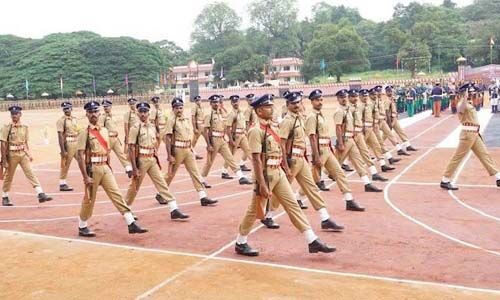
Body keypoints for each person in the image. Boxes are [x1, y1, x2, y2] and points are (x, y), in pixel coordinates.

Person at [234, 94, 335, 256]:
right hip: (266, 175)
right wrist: (262, 184)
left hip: (278, 172)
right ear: (259, 111)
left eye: (272, 106)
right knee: (254, 210)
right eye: (268, 107)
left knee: (293, 205)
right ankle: (240, 242)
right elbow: (256, 160)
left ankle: (311, 240)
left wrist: (285, 168)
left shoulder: (272, 127)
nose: (271, 109)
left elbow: (281, 149)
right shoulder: (255, 131)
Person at [271, 91, 345, 231]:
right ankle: (269, 214)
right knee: (283, 190)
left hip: (301, 159)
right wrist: (285, 165)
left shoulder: (299, 118)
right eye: (293, 103)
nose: (296, 105)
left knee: (311, 187)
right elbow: (282, 143)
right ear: (287, 105)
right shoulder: (288, 121)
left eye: (298, 102)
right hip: (292, 160)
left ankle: (325, 218)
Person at [75, 101, 147, 237]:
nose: (93, 115)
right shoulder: (85, 133)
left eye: (95, 111)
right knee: (90, 199)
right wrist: (85, 176)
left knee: (116, 194)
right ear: (87, 115)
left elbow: (107, 150)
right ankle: (82, 225)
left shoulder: (104, 131)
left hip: (105, 168)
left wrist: (108, 166)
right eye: (90, 112)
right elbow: (80, 155)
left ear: (99, 113)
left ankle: (131, 223)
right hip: (93, 169)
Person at [124, 102, 190, 220]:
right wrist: (134, 167)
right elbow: (131, 148)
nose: (143, 114)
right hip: (141, 160)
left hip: (152, 159)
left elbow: (155, 143)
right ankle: (126, 209)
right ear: (138, 113)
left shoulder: (152, 127)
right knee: (135, 186)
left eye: (145, 112)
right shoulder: (135, 128)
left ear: (149, 113)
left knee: (161, 183)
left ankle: (173, 208)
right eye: (141, 112)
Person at [441, 83, 500, 190]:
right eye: (468, 92)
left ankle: (498, 177)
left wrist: (475, 92)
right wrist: (464, 94)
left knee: (484, 155)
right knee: (458, 157)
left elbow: (478, 101)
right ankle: (445, 179)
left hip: (475, 134)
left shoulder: (468, 103)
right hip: (467, 134)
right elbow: (462, 107)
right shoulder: (460, 104)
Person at [163, 97, 217, 207]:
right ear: (173, 109)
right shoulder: (171, 120)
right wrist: (169, 155)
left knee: (195, 173)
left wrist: (192, 149)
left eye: (181, 107)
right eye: (177, 108)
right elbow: (168, 138)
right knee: (170, 174)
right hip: (177, 150)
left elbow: (187, 136)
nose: (179, 110)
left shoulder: (185, 119)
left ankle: (203, 196)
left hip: (188, 149)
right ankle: (161, 193)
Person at [1, 105, 53, 206]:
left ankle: (40, 193)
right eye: (12, 114)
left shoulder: (25, 127)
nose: (14, 116)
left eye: (16, 114)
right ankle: (5, 196)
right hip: (12, 155)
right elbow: (3, 143)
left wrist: (29, 154)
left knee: (30, 173)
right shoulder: (7, 127)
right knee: (9, 176)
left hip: (23, 153)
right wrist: (4, 160)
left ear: (20, 114)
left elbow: (25, 142)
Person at [333, 89, 382, 193]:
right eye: (342, 98)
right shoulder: (341, 111)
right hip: (346, 138)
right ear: (338, 99)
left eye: (345, 97)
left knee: (359, 159)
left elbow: (356, 121)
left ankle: (367, 182)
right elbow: (339, 127)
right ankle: (321, 178)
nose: (344, 99)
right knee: (335, 162)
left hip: (354, 136)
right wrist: (340, 142)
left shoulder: (349, 109)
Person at [200, 95, 252, 186]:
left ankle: (241, 177)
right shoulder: (209, 115)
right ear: (210, 104)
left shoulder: (220, 114)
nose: (216, 104)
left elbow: (223, 128)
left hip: (222, 140)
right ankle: (201, 179)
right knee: (209, 162)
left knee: (230, 158)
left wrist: (225, 138)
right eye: (214, 102)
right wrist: (209, 145)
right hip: (214, 140)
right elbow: (205, 131)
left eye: (217, 102)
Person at [348, 89, 388, 182]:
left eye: (356, 96)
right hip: (354, 134)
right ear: (349, 98)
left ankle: (376, 170)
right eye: (353, 97)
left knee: (373, 147)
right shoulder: (351, 109)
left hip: (364, 131)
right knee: (342, 155)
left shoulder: (359, 106)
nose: (355, 98)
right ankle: (328, 172)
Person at [98, 99, 133, 177]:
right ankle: (106, 170)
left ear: (111, 107)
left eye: (107, 106)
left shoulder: (113, 116)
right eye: (104, 107)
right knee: (106, 155)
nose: (105, 108)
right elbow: (101, 129)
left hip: (115, 138)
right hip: (108, 138)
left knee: (121, 153)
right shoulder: (102, 117)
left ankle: (128, 168)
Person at [224, 95, 252, 173]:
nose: (235, 103)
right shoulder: (231, 114)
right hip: (235, 136)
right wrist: (230, 140)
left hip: (242, 134)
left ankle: (256, 168)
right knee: (231, 154)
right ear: (231, 103)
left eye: (236, 101)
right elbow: (228, 128)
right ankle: (224, 170)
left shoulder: (241, 112)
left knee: (248, 150)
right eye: (233, 102)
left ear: (239, 101)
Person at [386, 86, 417, 153]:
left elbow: (394, 108)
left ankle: (408, 145)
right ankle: (374, 147)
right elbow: (387, 111)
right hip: (390, 119)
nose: (391, 92)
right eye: (389, 91)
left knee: (401, 131)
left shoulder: (392, 98)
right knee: (385, 135)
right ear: (386, 92)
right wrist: (389, 122)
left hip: (394, 118)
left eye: (391, 91)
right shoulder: (386, 100)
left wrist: (396, 116)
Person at [57, 101, 80, 191]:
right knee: (66, 164)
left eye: (68, 108)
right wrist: (63, 150)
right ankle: (62, 183)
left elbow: (78, 130)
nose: (67, 110)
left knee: (84, 161)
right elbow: (60, 136)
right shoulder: (61, 121)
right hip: (69, 143)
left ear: (71, 109)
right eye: (65, 109)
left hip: (77, 142)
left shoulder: (75, 119)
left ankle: (89, 177)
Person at [191, 95, 205, 160]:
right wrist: (194, 128)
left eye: (199, 100)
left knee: (208, 138)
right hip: (198, 126)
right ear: (195, 101)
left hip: (203, 125)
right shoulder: (194, 108)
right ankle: (191, 153)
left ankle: (214, 150)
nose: (198, 101)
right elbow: (193, 118)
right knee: (194, 141)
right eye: (197, 101)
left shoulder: (201, 107)